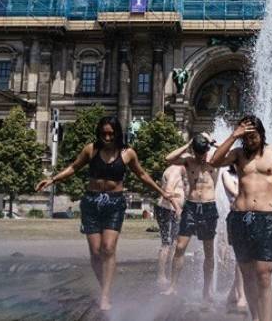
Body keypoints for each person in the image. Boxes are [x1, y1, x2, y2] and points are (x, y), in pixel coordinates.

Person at [35, 116, 179, 312]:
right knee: (96, 252)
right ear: (99, 133)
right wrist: (52, 180)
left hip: (114, 203)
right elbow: (74, 167)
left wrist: (162, 192)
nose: (107, 137)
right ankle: (106, 287)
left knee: (108, 248)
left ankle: (104, 295)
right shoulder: (91, 149)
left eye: (111, 133)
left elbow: (142, 174)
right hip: (91, 202)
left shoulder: (127, 153)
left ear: (117, 133)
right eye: (104, 133)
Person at [210, 115, 272, 321]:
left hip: (266, 220)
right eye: (246, 138)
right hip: (240, 218)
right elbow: (214, 161)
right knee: (247, 274)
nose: (250, 141)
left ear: (262, 134)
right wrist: (233, 135)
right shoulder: (238, 154)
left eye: (253, 137)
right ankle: (255, 317)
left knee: (264, 275)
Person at [162, 134, 220, 302]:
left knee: (209, 250)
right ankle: (173, 286)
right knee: (180, 247)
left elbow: (231, 153)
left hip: (208, 207)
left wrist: (214, 144)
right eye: (198, 153)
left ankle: (206, 290)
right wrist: (188, 144)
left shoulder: (215, 160)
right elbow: (168, 158)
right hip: (191, 207)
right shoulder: (188, 161)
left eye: (203, 152)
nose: (201, 156)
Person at [221, 165, 247, 312]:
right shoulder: (227, 174)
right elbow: (235, 192)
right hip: (236, 217)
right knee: (241, 257)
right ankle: (241, 295)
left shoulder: (248, 173)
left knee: (248, 257)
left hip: (250, 216)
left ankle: (233, 293)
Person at [155, 164, 185, 287]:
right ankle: (161, 276)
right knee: (167, 243)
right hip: (168, 210)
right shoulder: (175, 171)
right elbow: (167, 191)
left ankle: (170, 274)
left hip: (171, 210)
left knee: (174, 243)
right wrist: (177, 207)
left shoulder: (179, 172)